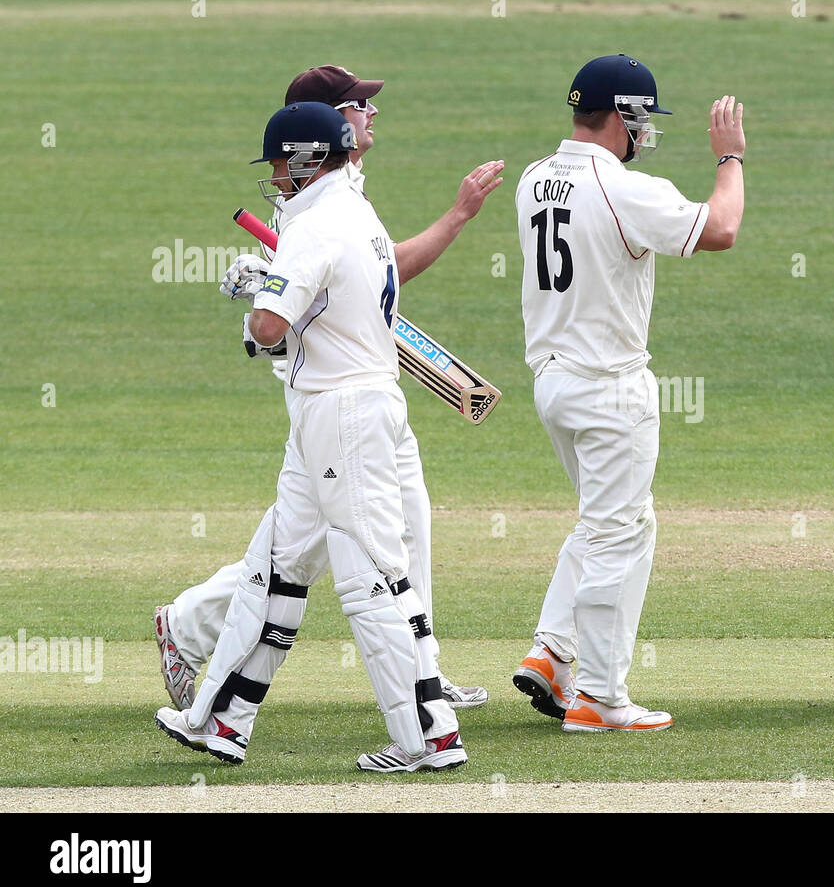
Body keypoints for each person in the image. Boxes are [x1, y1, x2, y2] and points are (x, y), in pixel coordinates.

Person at [154, 65, 503, 713]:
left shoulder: (341, 189)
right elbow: (281, 315)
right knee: (305, 551)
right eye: (358, 106)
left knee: (381, 528)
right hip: (332, 397)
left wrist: (455, 218)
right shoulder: (306, 200)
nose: (372, 115)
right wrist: (266, 281)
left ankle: (421, 678)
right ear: (325, 127)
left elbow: (379, 271)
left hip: (363, 389)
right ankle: (191, 635)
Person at [510, 55, 745, 731]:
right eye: (643, 121)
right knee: (621, 534)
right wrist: (730, 161)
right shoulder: (624, 189)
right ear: (624, 118)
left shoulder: (534, 179)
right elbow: (720, 229)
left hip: (552, 382)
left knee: (605, 520)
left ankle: (554, 653)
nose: (646, 135)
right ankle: (600, 698)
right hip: (609, 388)